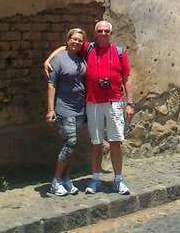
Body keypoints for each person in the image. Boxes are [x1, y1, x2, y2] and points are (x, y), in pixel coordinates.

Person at [44, 19, 135, 195]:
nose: (103, 34)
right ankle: (95, 179)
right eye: (99, 31)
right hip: (92, 104)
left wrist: (130, 103)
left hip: (114, 102)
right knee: (96, 143)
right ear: (95, 34)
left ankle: (118, 180)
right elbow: (69, 46)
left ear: (111, 33)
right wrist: (49, 59)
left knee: (115, 142)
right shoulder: (89, 48)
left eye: (106, 31)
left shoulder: (119, 52)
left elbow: (127, 79)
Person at [46, 28, 88, 197]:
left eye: (80, 40)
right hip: (64, 108)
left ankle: (66, 179)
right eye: (73, 39)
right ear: (67, 40)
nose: (76, 42)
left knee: (73, 145)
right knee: (70, 142)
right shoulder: (59, 60)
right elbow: (51, 85)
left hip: (80, 108)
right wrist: (50, 110)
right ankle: (55, 181)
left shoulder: (81, 58)